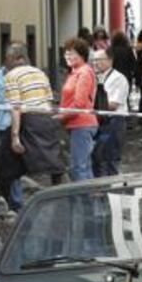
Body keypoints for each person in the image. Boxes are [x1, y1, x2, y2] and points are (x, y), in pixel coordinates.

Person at [0, 42, 64, 206]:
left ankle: (13, 205)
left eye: (7, 59)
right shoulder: (40, 73)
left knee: (3, 172)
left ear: (14, 58)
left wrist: (15, 136)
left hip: (28, 121)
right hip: (46, 120)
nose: (5, 63)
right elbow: (48, 99)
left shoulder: (11, 76)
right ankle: (58, 197)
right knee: (53, 165)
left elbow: (16, 107)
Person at [57, 37, 98, 181]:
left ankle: (84, 202)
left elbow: (79, 103)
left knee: (79, 168)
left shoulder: (84, 73)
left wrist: (60, 116)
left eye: (71, 53)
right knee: (82, 166)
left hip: (81, 124)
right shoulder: (76, 72)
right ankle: (89, 200)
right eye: (66, 53)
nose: (67, 56)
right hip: (76, 124)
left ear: (81, 54)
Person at [0, 49, 23, 211]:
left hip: (16, 125)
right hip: (4, 124)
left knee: (13, 165)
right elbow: (3, 96)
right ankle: (7, 199)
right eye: (9, 58)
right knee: (4, 164)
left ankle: (16, 202)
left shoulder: (21, 75)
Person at [92, 48, 129, 177]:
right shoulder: (97, 77)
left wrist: (91, 106)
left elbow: (113, 105)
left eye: (99, 60)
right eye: (94, 60)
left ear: (110, 60)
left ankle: (112, 191)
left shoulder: (118, 78)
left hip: (114, 122)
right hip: (100, 122)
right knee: (98, 158)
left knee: (110, 159)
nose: (95, 63)